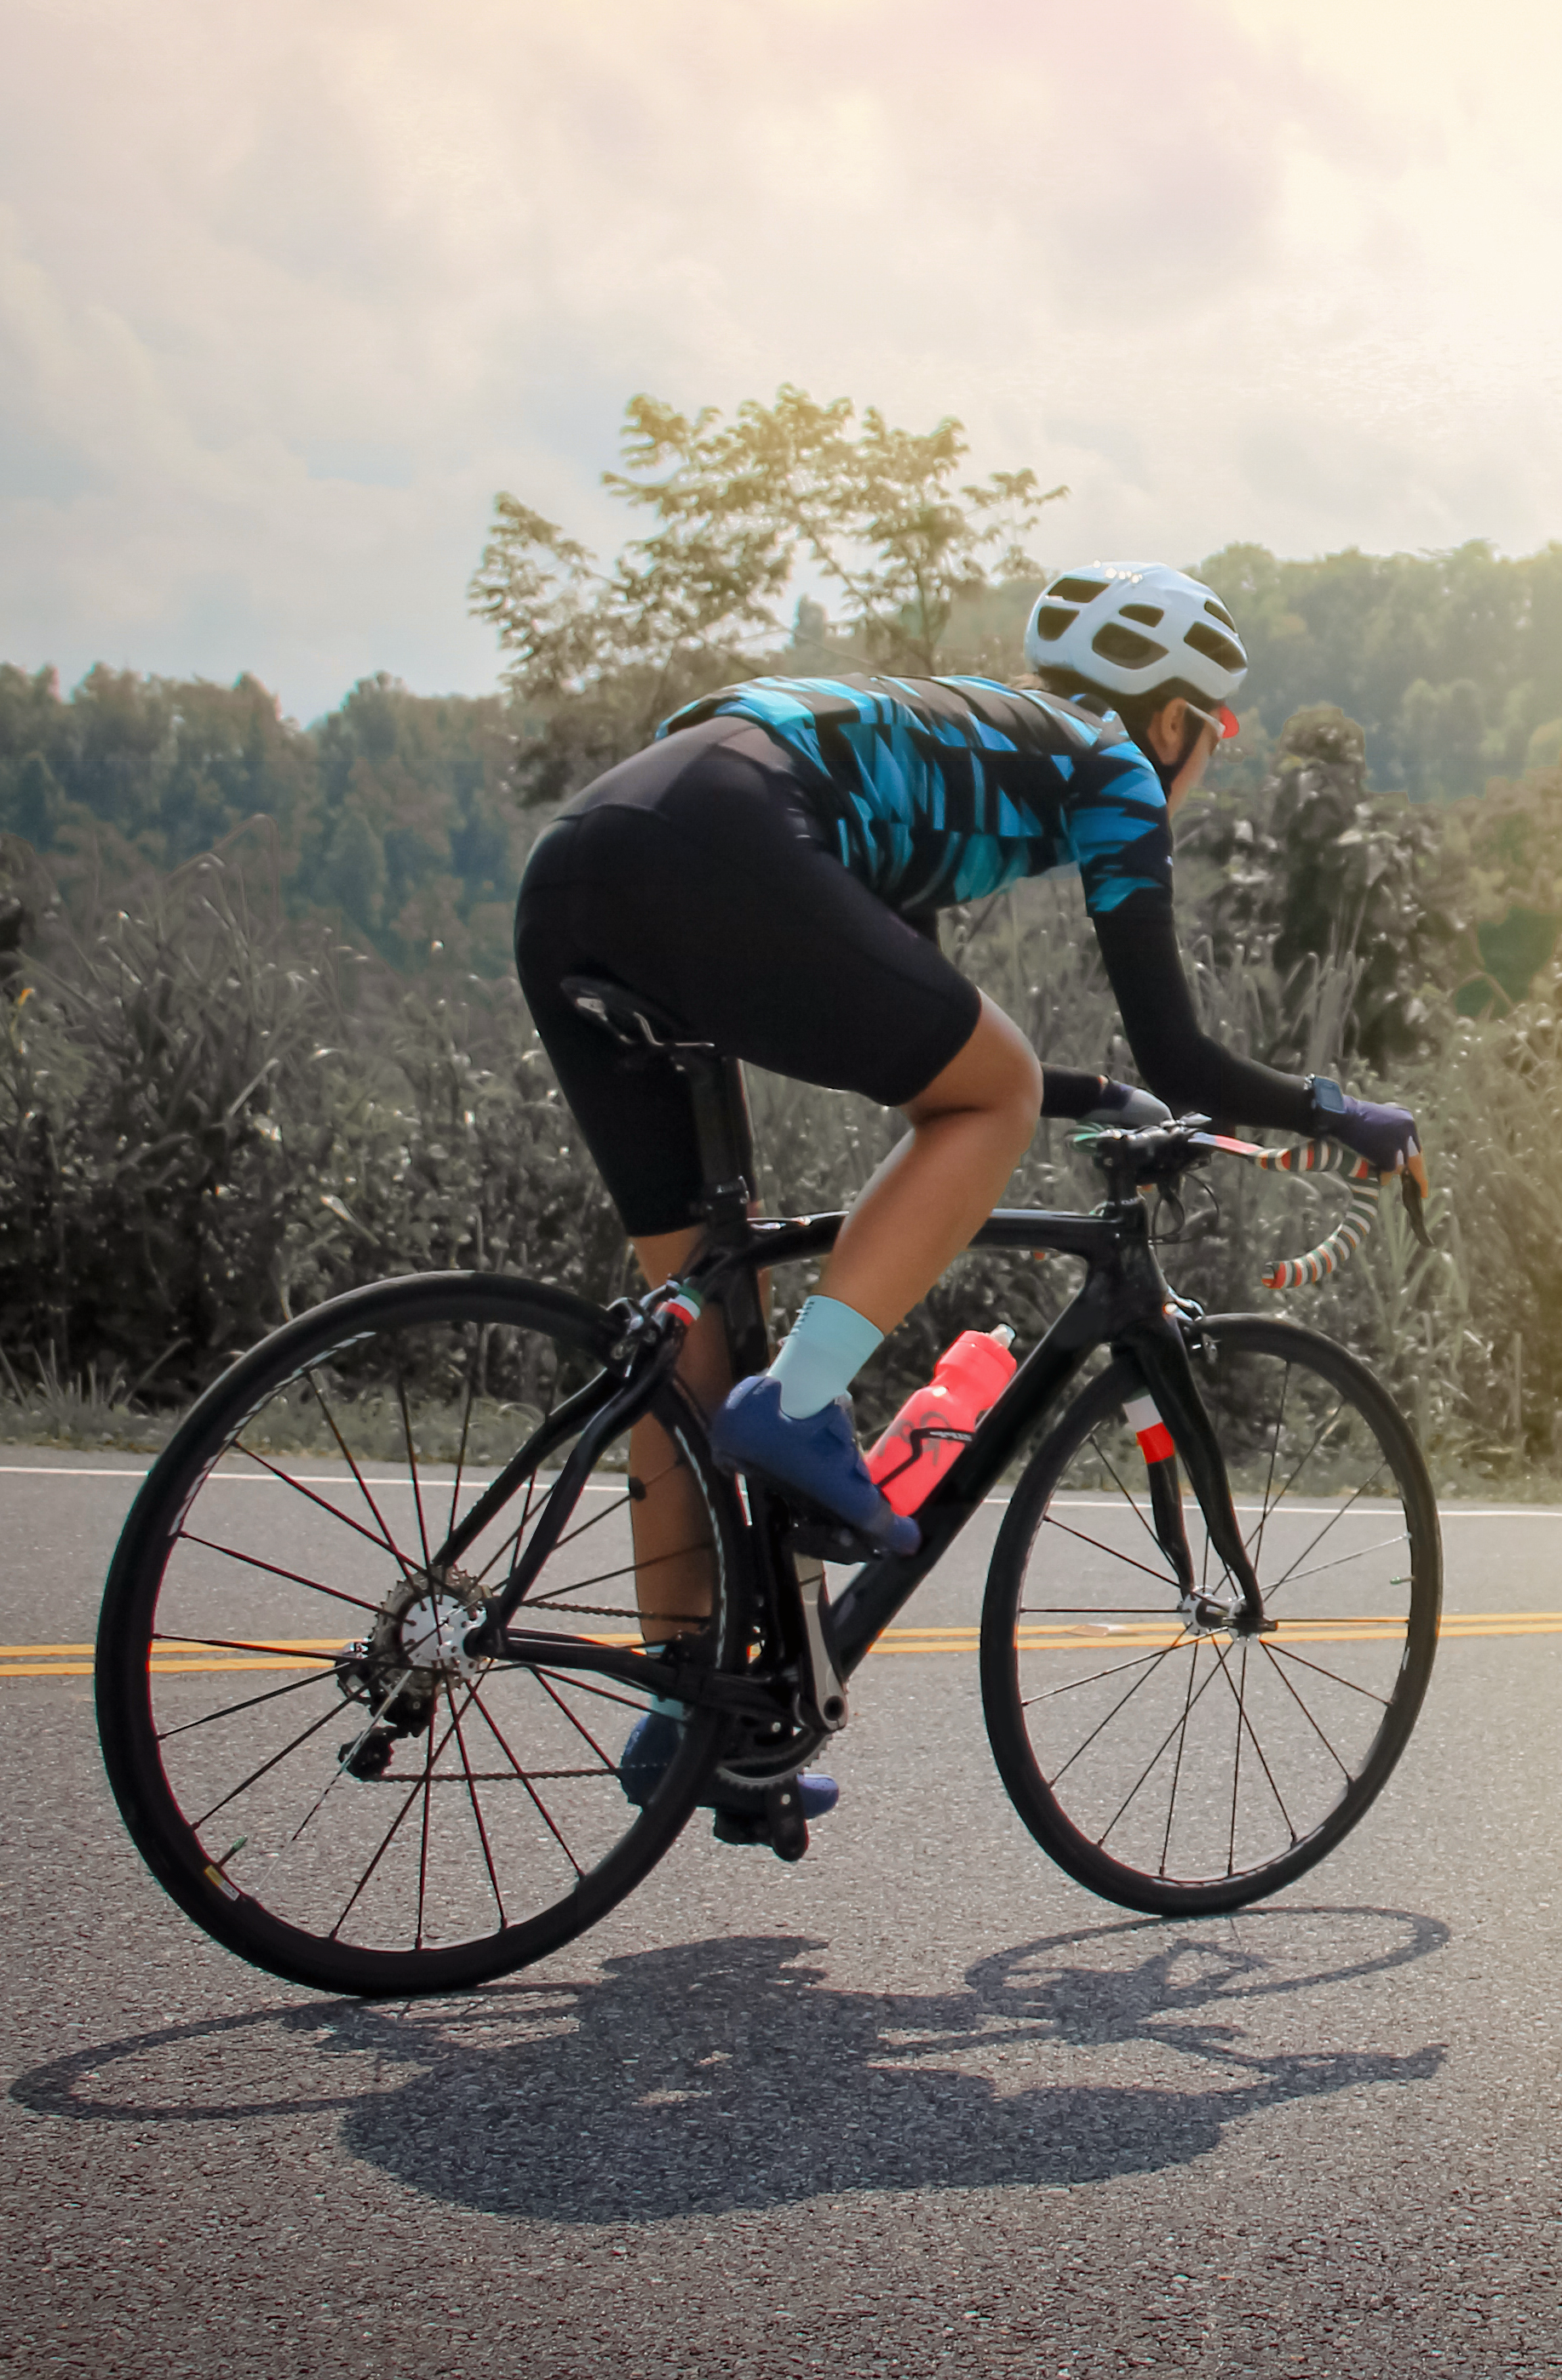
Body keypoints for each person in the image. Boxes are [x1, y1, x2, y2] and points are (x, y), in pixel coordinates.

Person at [514, 561, 1425, 1830]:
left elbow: (913, 1029)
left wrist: (1089, 1092)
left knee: (688, 1342)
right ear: (1172, 721)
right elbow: (1174, 1052)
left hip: (586, 862)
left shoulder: (952, 745)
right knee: (976, 1109)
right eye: (1210, 734)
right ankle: (810, 1400)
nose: (1202, 759)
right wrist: (1340, 1113)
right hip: (721, 841)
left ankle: (694, 1714)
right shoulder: (1110, 765)